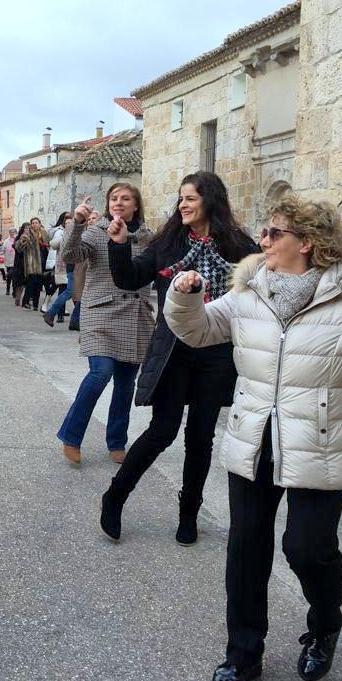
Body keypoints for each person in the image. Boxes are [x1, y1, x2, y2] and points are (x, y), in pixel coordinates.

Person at [164, 196, 342, 681]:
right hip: (254, 438)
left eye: (273, 234)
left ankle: (325, 623)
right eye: (264, 233)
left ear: (307, 244)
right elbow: (197, 330)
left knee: (307, 549)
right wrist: (184, 296)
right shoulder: (250, 290)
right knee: (246, 550)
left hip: (321, 441)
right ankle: (242, 655)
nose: (262, 241)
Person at [100, 171, 259, 545]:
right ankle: (115, 497)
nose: (183, 205)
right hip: (173, 350)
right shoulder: (169, 242)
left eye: (190, 198)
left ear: (210, 200)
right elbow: (130, 278)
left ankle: (189, 514)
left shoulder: (238, 246)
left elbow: (259, 287)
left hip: (216, 352)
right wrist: (120, 244)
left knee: (201, 437)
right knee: (162, 431)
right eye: (181, 198)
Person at [57, 184, 154, 465]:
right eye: (114, 198)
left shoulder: (148, 238)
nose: (118, 203)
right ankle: (71, 436)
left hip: (135, 317)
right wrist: (76, 223)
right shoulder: (97, 231)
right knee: (101, 374)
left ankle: (117, 442)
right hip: (100, 313)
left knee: (125, 384)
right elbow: (69, 256)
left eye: (125, 199)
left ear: (136, 205)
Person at [43, 212, 73, 326]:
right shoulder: (61, 233)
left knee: (72, 292)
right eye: (67, 222)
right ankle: (53, 313)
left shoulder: (79, 233)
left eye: (71, 222)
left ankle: (75, 319)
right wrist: (65, 237)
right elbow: (53, 244)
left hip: (75, 266)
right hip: (65, 266)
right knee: (68, 291)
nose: (69, 224)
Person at [4, 227, 17, 296]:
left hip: (16, 262)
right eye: (11, 232)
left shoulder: (17, 240)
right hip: (9, 261)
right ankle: (8, 289)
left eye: (13, 232)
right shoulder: (6, 241)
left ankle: (14, 291)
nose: (12, 233)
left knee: (15, 277)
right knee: (9, 276)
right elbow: (3, 249)